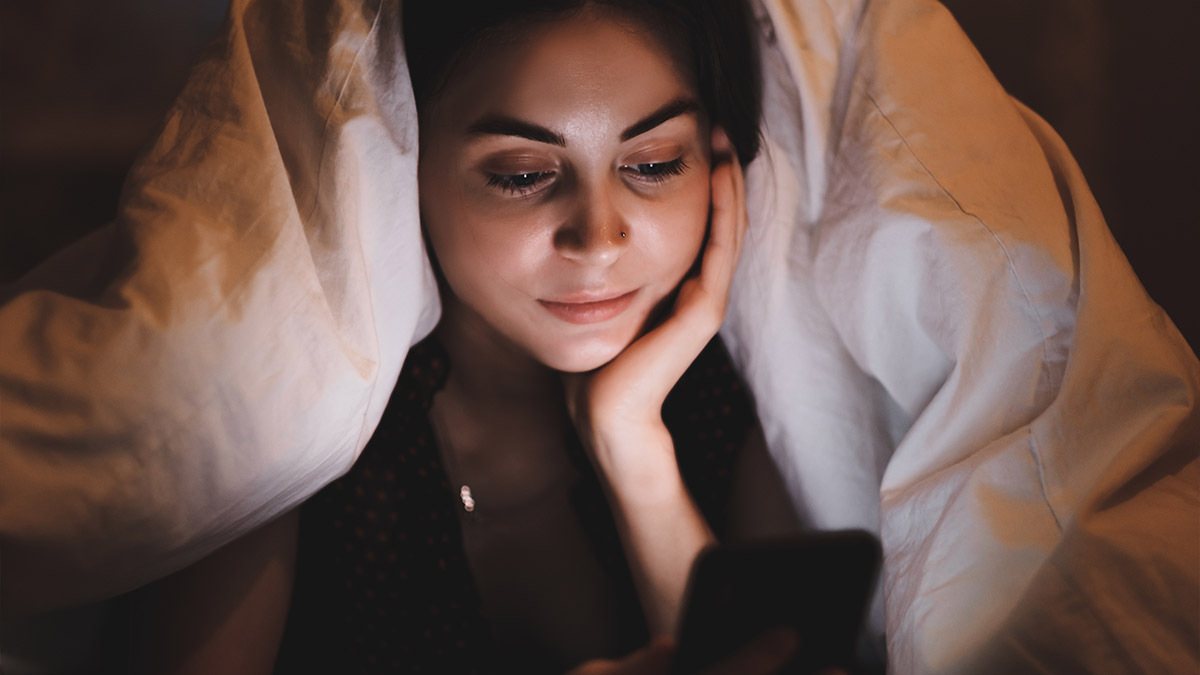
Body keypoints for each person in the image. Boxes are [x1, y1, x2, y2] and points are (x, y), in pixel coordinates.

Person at [136, 2, 812, 674]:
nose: (599, 240)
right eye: (521, 175)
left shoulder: (726, 397)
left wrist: (630, 442)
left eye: (657, 163)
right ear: (404, 166)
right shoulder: (296, 423)